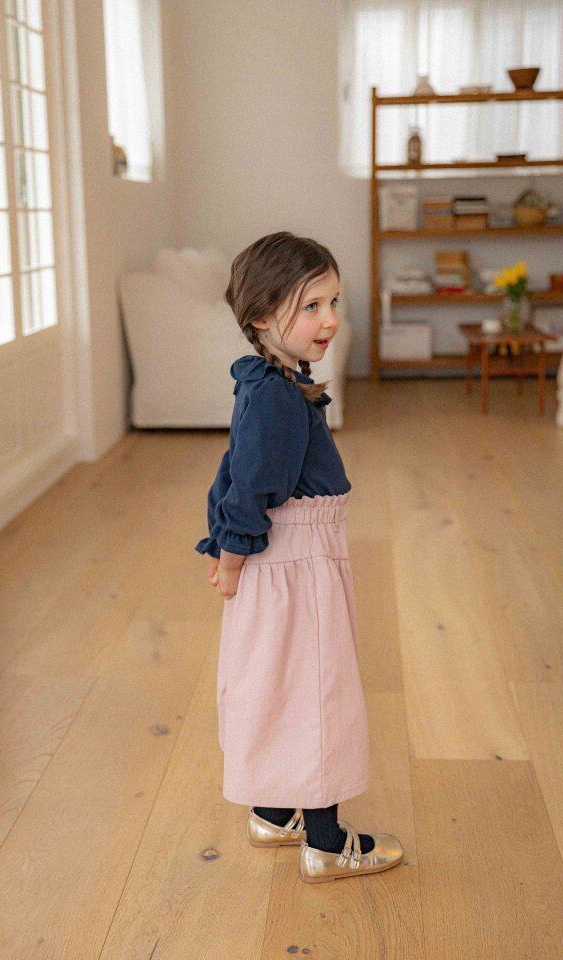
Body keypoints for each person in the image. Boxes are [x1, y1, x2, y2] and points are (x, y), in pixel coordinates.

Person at [195, 231, 403, 883]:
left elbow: (234, 470)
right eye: (310, 306)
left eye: (333, 302)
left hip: (289, 562)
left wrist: (227, 545)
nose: (330, 319)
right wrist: (230, 554)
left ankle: (274, 811)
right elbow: (250, 482)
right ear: (261, 316)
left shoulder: (273, 382)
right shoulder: (277, 397)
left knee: (283, 685)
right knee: (318, 695)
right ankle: (327, 842)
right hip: (298, 564)